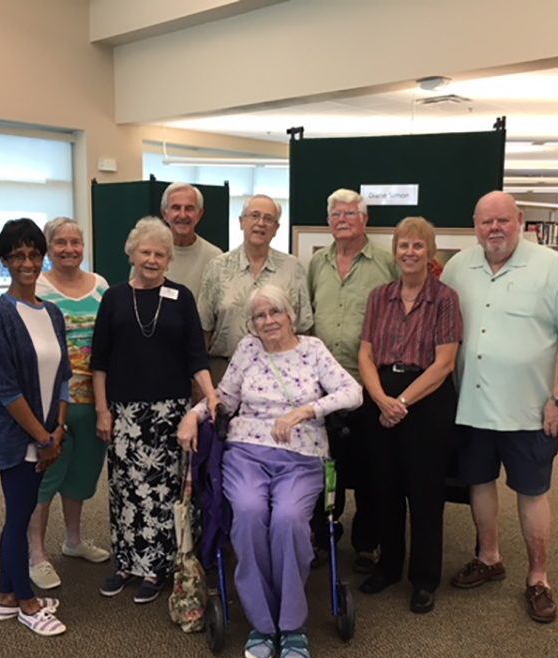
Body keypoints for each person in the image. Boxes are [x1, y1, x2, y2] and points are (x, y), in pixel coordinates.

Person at [178, 285, 362, 658]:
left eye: (274, 312)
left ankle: (292, 625)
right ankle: (262, 624)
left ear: (291, 314)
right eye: (259, 316)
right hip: (246, 453)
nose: (268, 321)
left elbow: (353, 392)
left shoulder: (313, 350)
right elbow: (223, 397)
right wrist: (193, 415)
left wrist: (305, 412)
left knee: (288, 521)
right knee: (246, 515)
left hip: (301, 455)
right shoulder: (247, 349)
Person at [441, 191, 558, 623]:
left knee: (532, 491)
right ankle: (489, 557)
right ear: (475, 225)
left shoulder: (552, 268)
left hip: (530, 411)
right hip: (471, 405)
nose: (494, 228)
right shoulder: (459, 267)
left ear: (520, 221)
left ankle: (538, 578)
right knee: (479, 483)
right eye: (485, 221)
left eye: (502, 220)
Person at [91, 216, 219, 604]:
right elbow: (100, 363)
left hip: (171, 414)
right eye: (145, 251)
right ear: (131, 253)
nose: (152, 259)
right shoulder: (113, 297)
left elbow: (197, 357)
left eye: (160, 254)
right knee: (125, 489)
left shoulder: (182, 297)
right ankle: (126, 563)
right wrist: (102, 411)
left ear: (169, 260)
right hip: (125, 412)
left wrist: (210, 397)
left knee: (164, 492)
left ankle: (158, 567)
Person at [357, 217, 463, 614]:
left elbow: (444, 363)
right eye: (403, 245)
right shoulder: (379, 296)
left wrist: (400, 402)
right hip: (382, 396)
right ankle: (387, 568)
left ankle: (423, 578)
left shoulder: (445, 299)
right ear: (395, 250)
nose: (410, 253)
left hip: (427, 400)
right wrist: (381, 398)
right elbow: (365, 353)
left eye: (418, 246)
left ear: (430, 251)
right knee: (383, 486)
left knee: (424, 492)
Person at [0, 218, 72, 636]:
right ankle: (28, 603)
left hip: (49, 434)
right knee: (19, 518)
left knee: (22, 512)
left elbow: (66, 375)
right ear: (5, 261)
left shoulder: (50, 311)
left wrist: (60, 431)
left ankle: (5, 596)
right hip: (19, 437)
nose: (27, 263)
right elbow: (5, 389)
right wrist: (41, 437)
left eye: (34, 254)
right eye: (17, 255)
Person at [307, 187, 398, 573]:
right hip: (322, 386)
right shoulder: (316, 264)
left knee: (369, 468)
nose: (342, 221)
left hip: (367, 383)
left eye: (350, 214)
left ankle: (366, 542)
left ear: (365, 219)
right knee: (323, 465)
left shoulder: (386, 263)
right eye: (336, 215)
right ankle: (324, 535)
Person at [26, 217, 111, 590]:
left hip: (93, 400)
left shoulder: (101, 287)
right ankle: (36, 554)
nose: (69, 249)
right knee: (44, 479)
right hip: (49, 404)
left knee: (80, 476)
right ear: (48, 248)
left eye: (75, 242)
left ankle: (73, 540)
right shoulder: (35, 287)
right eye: (60, 243)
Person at [198, 194, 313, 383]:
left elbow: (303, 328)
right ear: (241, 222)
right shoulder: (217, 267)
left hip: (280, 374)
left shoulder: (293, 268)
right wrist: (202, 384)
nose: (261, 223)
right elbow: (204, 329)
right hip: (225, 371)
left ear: (276, 229)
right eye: (254, 216)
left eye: (268, 219)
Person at [160, 182, 222, 298]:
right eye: (176, 208)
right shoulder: (150, 254)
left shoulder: (214, 258)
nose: (183, 215)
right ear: (165, 214)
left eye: (189, 209)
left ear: (199, 215)